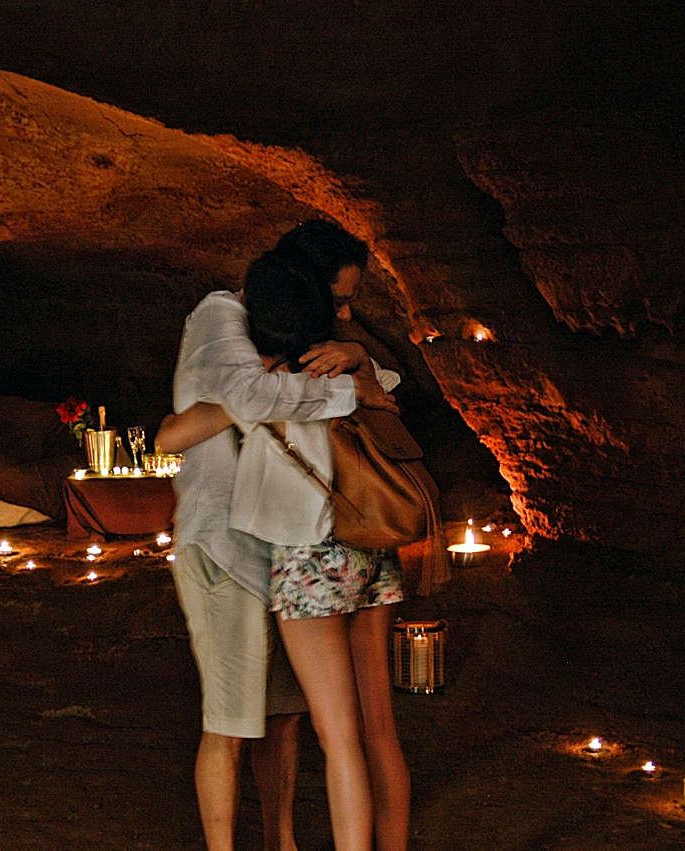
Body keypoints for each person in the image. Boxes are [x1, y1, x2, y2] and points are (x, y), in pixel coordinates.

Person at [162, 237, 411, 851]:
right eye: (341, 300)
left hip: (299, 555)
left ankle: (284, 841)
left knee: (327, 732)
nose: (347, 313)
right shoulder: (234, 326)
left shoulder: (295, 360)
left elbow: (177, 431)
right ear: (305, 285)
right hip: (290, 545)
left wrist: (348, 358)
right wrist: (354, 376)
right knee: (345, 727)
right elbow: (214, 414)